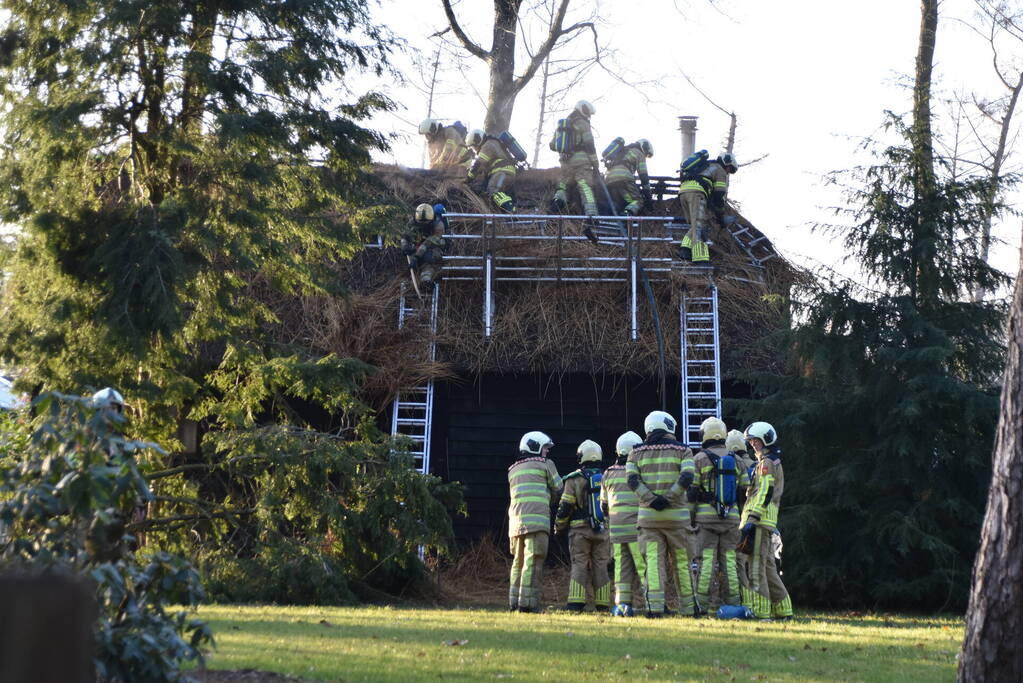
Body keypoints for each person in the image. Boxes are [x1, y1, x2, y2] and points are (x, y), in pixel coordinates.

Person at [626, 410, 697, 617]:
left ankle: (654, 608)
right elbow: (687, 477)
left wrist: (651, 500)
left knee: (654, 566)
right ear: (669, 427)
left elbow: (632, 481)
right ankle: (689, 609)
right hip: (677, 520)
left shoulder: (635, 452)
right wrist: (669, 498)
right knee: (682, 564)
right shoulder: (684, 450)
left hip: (649, 520)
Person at [689, 417, 750, 614]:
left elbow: (691, 493)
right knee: (730, 562)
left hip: (705, 521)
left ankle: (703, 605)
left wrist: (690, 520)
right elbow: (745, 491)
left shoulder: (698, 459)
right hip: (731, 519)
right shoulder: (738, 460)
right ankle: (733, 604)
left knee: (706, 562)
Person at [737, 421, 793, 621]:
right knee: (768, 568)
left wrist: (752, 518)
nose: (752, 444)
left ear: (766, 440)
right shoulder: (770, 461)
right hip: (765, 522)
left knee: (755, 568)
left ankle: (761, 613)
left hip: (759, 522)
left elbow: (765, 492)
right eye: (750, 441)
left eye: (755, 441)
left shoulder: (767, 464)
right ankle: (783, 610)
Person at [508, 430, 562, 613]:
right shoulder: (546, 464)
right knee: (534, 561)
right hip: (537, 522)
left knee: (518, 562)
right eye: (545, 448)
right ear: (535, 447)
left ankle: (513, 602)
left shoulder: (513, 469)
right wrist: (550, 499)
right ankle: (527, 604)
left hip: (515, 525)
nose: (547, 451)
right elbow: (559, 488)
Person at [555, 439, 611, 613]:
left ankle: (575, 604)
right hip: (602, 531)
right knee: (601, 566)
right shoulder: (606, 477)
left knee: (579, 564)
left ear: (581, 457)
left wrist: (559, 526)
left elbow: (565, 506)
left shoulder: (574, 479)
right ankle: (602, 604)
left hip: (579, 532)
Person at [600, 430, 646, 616]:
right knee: (643, 568)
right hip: (636, 529)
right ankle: (654, 602)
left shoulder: (608, 473)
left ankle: (622, 604)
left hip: (617, 532)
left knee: (621, 569)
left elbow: (603, 505)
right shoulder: (638, 471)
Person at [678, 152, 738, 263]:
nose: (728, 172)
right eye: (730, 169)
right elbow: (719, 195)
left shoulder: (706, 166)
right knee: (701, 226)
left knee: (695, 226)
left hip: (683, 192)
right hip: (697, 193)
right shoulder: (720, 170)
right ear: (727, 164)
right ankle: (700, 258)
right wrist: (720, 214)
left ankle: (685, 249)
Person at [552, 101, 600, 221]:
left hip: (565, 162)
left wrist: (566, 151)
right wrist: (595, 164)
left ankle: (556, 205)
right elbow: (590, 144)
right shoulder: (582, 123)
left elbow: (552, 145)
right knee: (585, 186)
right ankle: (592, 215)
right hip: (582, 162)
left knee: (563, 186)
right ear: (583, 110)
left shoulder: (563, 124)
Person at [466, 129, 517, 212]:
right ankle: (508, 211)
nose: (474, 149)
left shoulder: (488, 145)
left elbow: (478, 164)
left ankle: (511, 212)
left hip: (502, 172)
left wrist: (468, 178)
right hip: (505, 172)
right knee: (494, 193)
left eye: (473, 146)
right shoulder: (493, 143)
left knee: (493, 190)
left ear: (478, 141)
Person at [401, 203, 449, 290]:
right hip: (419, 244)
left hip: (434, 246)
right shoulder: (413, 221)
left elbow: (428, 242)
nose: (422, 224)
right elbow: (405, 235)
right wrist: (405, 246)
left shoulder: (438, 225)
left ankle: (426, 280)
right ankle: (409, 280)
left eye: (425, 223)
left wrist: (416, 256)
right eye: (420, 222)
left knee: (428, 258)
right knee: (412, 259)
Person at [604, 139, 654, 216]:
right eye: (647, 154)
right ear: (644, 147)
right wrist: (648, 197)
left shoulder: (623, 150)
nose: (645, 156)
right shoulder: (639, 153)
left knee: (618, 202)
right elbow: (644, 177)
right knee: (638, 201)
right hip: (623, 178)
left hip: (609, 178)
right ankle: (626, 216)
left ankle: (613, 218)